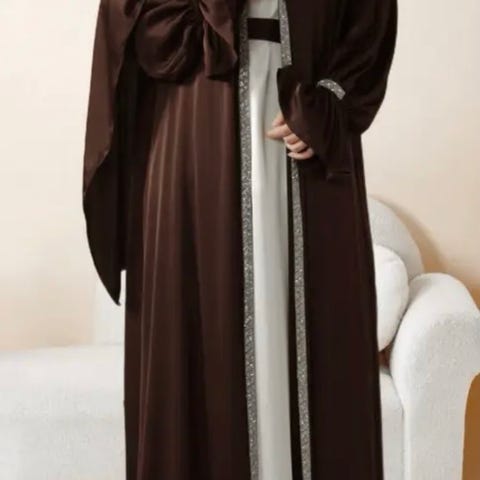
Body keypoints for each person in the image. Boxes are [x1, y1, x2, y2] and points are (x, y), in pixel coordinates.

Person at [82, 0, 397, 478]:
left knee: (317, 337)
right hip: (195, 134)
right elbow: (140, 23)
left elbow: (370, 19)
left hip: (308, 139)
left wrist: (330, 103)